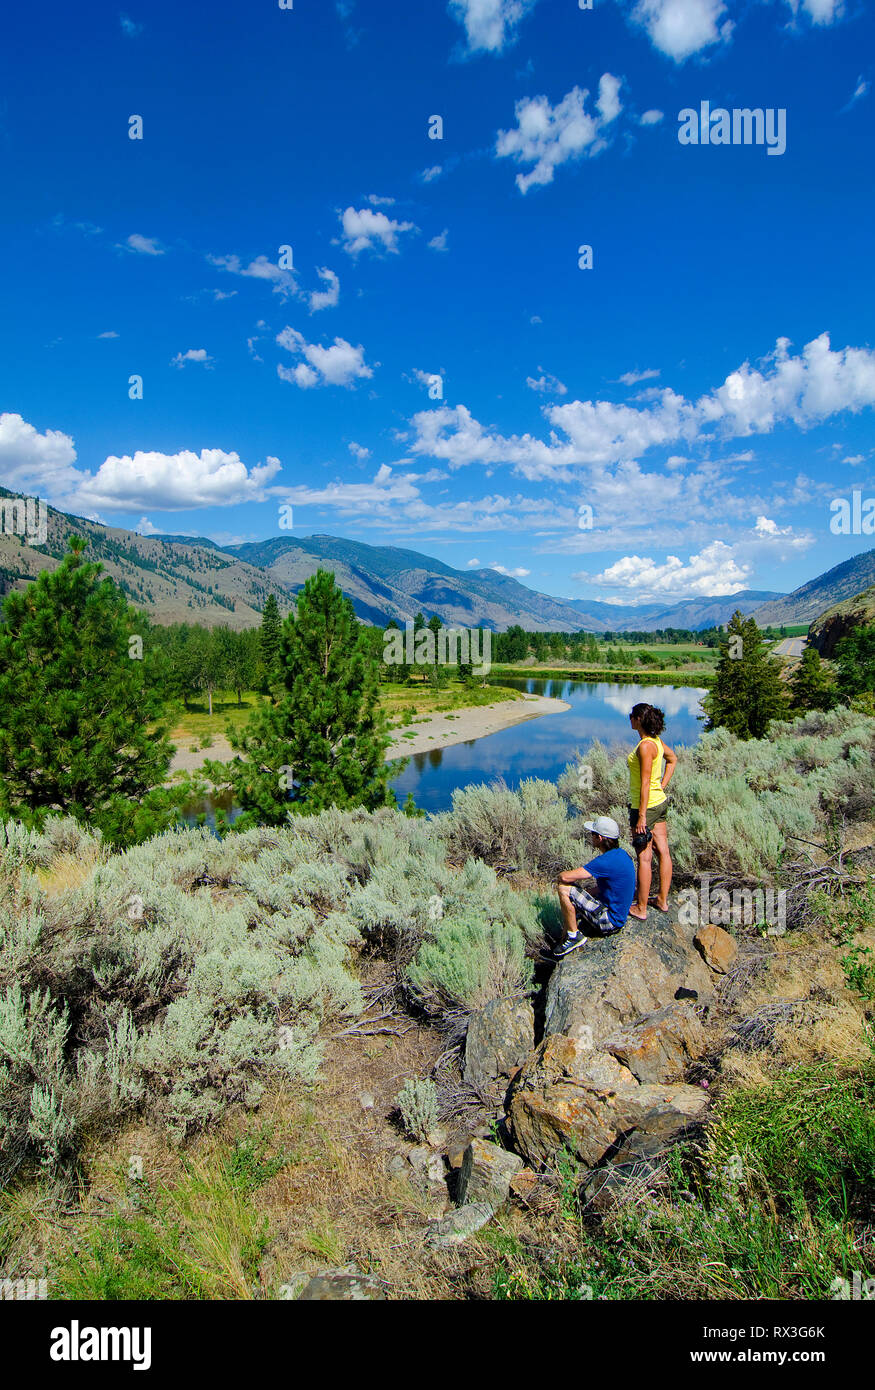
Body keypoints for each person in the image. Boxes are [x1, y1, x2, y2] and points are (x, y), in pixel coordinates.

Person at [553, 815, 636, 958]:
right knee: (574, 900)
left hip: (609, 921)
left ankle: (574, 937)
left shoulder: (605, 861)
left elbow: (565, 877)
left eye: (593, 834)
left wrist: (561, 877)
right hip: (618, 915)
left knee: (563, 888)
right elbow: (610, 886)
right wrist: (584, 893)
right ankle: (562, 943)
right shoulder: (622, 855)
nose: (591, 837)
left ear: (600, 838)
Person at [627, 702, 677, 920]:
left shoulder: (646, 746)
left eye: (632, 716)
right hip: (660, 803)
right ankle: (663, 901)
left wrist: (641, 817)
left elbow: (646, 783)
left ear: (639, 720)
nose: (629, 719)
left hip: (645, 807)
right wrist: (663, 786)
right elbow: (672, 759)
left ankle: (641, 908)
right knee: (663, 851)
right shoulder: (656, 741)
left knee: (644, 857)